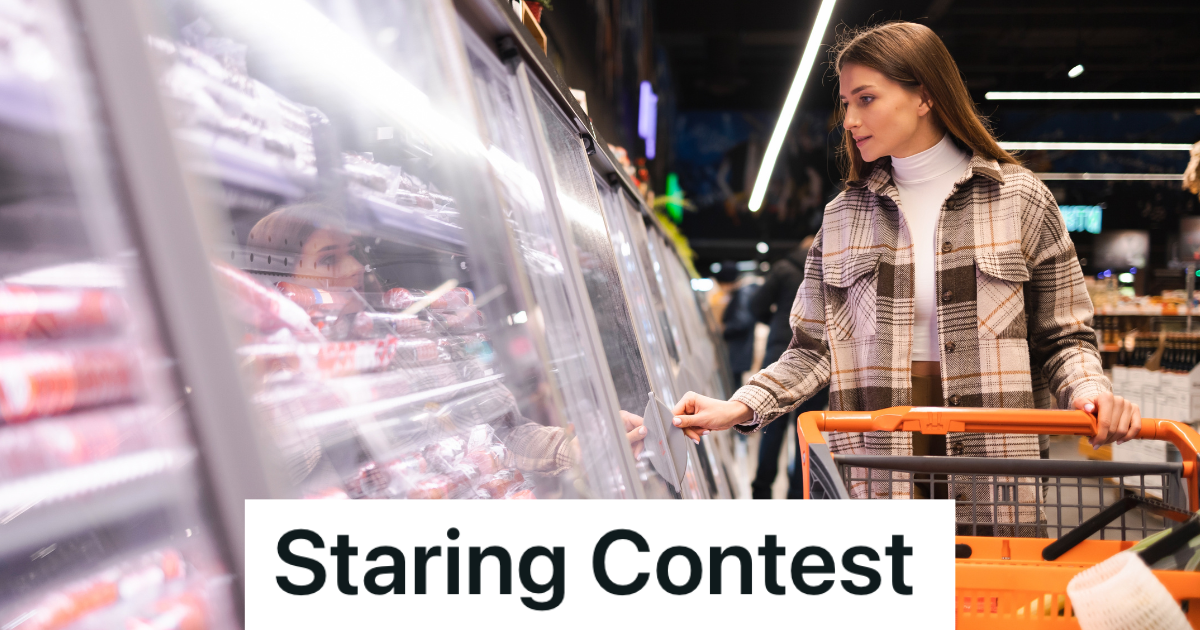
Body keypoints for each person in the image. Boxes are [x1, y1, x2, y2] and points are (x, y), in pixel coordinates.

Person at [671, 22, 1139, 524]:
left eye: (866, 98)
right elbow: (812, 350)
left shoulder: (1020, 200)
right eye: (846, 103)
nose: (849, 119)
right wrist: (737, 407)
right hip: (875, 457)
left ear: (925, 96)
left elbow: (1062, 336)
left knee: (982, 591)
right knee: (889, 585)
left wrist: (1090, 392)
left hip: (994, 450)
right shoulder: (843, 216)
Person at [245, 202, 647, 484]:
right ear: (282, 282)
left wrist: (574, 449)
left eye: (353, 254)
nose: (354, 269)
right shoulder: (267, 370)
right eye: (330, 260)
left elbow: (507, 433)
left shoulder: (414, 333)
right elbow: (287, 477)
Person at [747, 238, 829, 499]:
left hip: (779, 353)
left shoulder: (783, 269)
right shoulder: (829, 268)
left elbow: (755, 306)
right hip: (818, 357)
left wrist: (776, 321)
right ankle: (798, 491)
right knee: (806, 429)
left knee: (771, 424)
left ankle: (762, 488)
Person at [717, 264, 758, 391]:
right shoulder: (742, 293)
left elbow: (742, 321)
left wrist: (724, 329)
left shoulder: (742, 294)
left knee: (734, 386)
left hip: (738, 349)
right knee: (735, 383)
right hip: (740, 349)